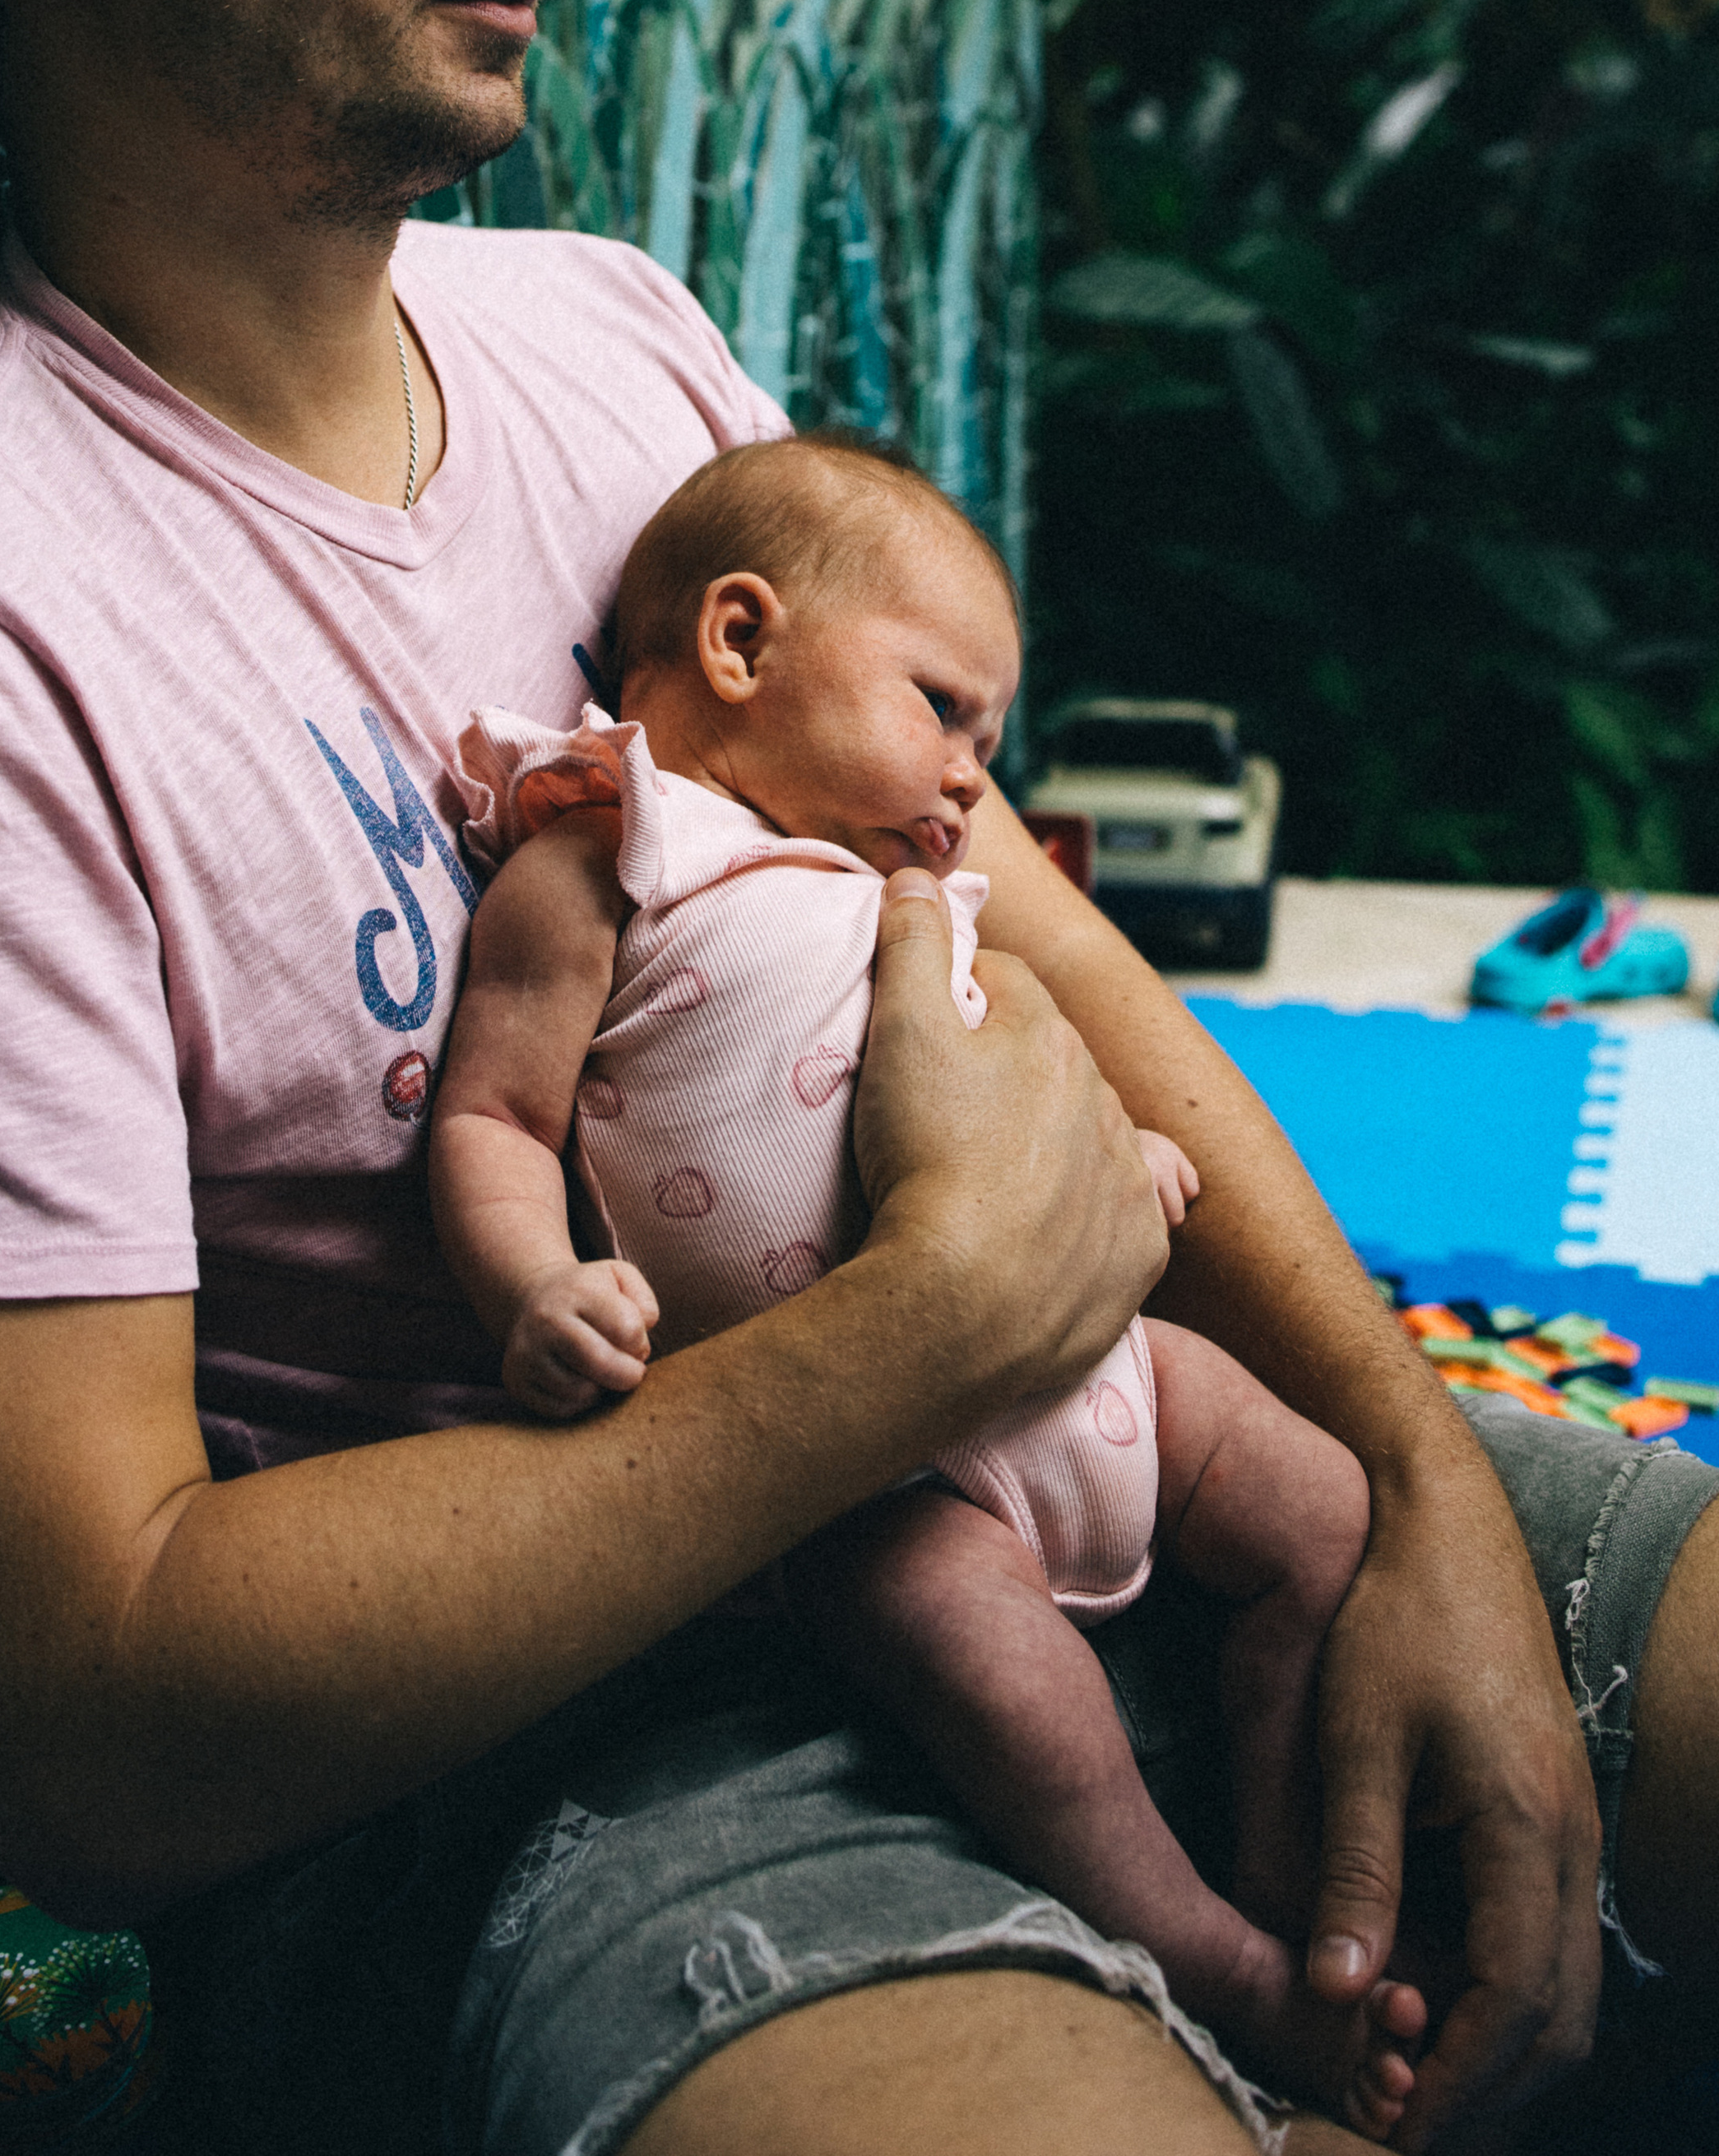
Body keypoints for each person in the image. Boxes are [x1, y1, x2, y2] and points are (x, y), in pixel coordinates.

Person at [0, 0, 1719, 2156]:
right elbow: (84, 1730)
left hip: (1130, 1455)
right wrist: (911, 1341)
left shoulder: (606, 340)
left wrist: (1409, 1469)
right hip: (596, 1749)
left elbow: (1023, 918)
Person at [431, 431, 1424, 2136]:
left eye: (985, 735)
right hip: (880, 1476)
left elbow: (998, 1042)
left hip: (1097, 1365)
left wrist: (1115, 1139)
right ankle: (1189, 1941)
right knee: (997, 1676)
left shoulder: (893, 880)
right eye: (941, 708)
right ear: (740, 643)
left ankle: (1279, 1875)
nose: (971, 774)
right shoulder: (608, 858)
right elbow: (493, 1116)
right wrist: (529, 1285)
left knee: (1319, 1510)